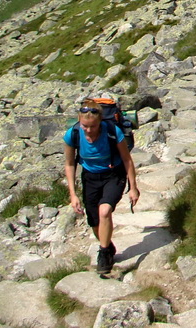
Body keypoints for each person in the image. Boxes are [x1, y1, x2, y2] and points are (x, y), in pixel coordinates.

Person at [63, 98, 140, 274]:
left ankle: (104, 254)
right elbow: (69, 164)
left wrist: (133, 187)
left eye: (93, 127)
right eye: (85, 126)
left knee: (104, 211)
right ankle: (108, 246)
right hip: (90, 177)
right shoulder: (72, 134)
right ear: (79, 122)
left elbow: (127, 160)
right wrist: (72, 194)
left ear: (100, 123)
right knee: (94, 222)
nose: (89, 131)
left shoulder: (113, 132)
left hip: (114, 174)